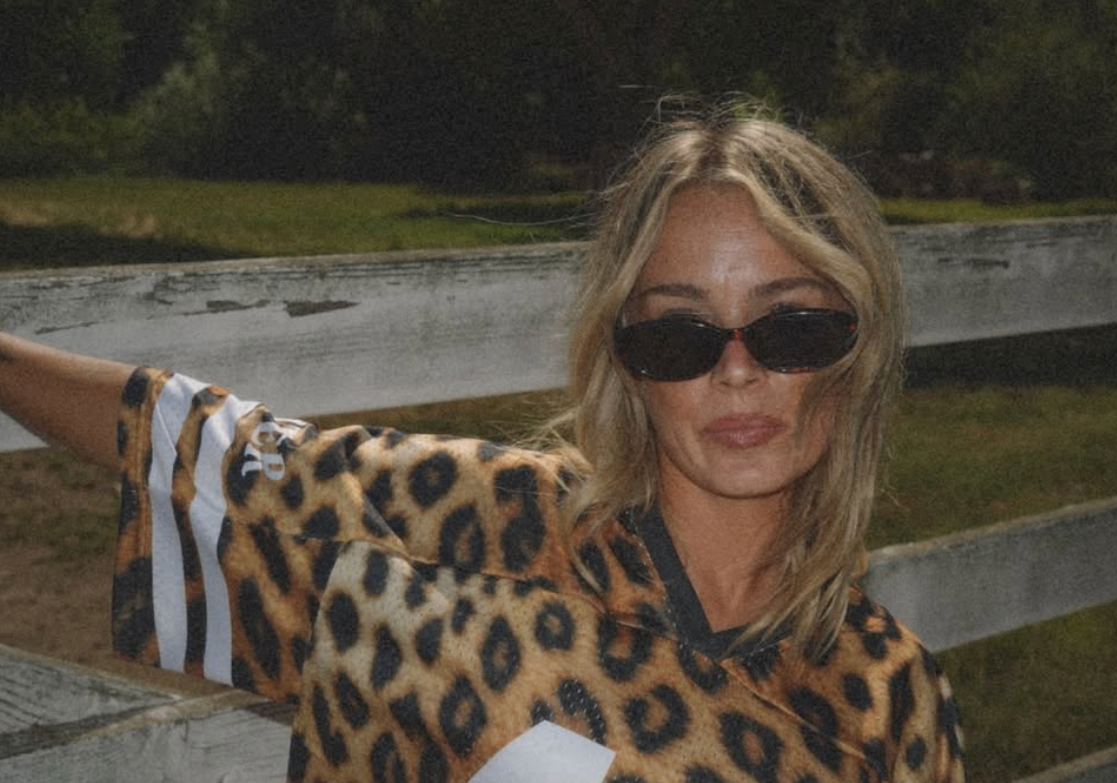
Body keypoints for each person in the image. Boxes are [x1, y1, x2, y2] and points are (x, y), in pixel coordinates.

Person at [0, 106, 963, 782]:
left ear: (859, 345)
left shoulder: (886, 695)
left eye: (793, 328)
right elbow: (192, 441)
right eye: (679, 334)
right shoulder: (472, 533)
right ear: (623, 361)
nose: (738, 372)